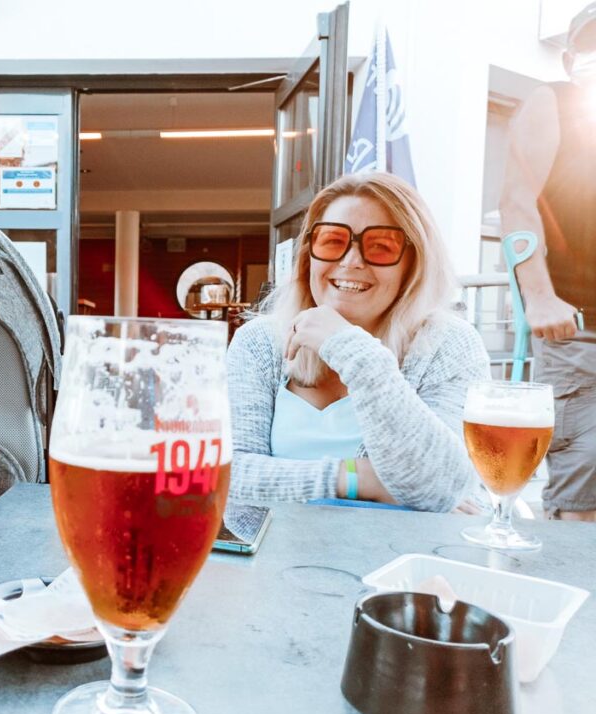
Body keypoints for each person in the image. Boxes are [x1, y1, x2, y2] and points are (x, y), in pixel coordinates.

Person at [226, 172, 491, 520]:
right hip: (270, 562)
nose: (351, 261)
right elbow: (226, 475)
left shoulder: (448, 345)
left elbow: (442, 486)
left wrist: (350, 350)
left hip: (401, 566)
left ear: (413, 264)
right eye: (333, 241)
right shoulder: (260, 341)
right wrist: (356, 479)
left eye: (381, 245)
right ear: (309, 256)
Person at [499, 2, 596, 522]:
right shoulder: (555, 102)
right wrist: (539, 296)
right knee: (586, 497)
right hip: (578, 331)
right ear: (570, 56)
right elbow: (517, 201)